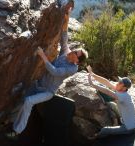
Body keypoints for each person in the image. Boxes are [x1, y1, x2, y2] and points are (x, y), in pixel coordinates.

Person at [6, 2, 88, 139]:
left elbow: (55, 72)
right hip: (39, 84)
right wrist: (66, 19)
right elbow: (64, 39)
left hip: (47, 92)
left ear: (77, 61)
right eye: (75, 49)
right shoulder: (66, 54)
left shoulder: (72, 68)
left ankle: (17, 130)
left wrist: (42, 55)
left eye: (76, 53)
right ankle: (9, 121)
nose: (72, 50)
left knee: (29, 102)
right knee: (22, 100)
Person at [86, 65, 135, 138]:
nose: (117, 83)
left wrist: (92, 84)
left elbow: (107, 92)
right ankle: (115, 122)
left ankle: (95, 137)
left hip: (129, 128)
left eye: (120, 83)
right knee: (111, 104)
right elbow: (106, 82)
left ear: (124, 88)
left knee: (105, 130)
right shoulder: (120, 90)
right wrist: (92, 74)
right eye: (119, 81)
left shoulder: (123, 96)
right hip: (127, 121)